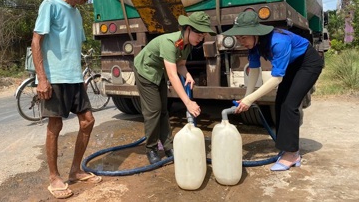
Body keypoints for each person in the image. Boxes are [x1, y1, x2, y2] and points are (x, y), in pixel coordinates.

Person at [32, 0, 103, 199]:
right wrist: (42, 78)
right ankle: (54, 178)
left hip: (74, 78)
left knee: (88, 121)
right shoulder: (50, 5)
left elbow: (74, 47)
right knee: (55, 126)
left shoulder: (77, 14)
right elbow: (36, 40)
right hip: (54, 77)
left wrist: (81, 77)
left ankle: (75, 170)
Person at [223, 10, 323, 171]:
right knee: (280, 102)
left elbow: (277, 78)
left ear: (255, 32)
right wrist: (247, 96)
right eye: (238, 37)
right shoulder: (254, 44)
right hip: (292, 66)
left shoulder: (278, 41)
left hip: (308, 64)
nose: (241, 41)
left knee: (289, 105)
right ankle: (289, 148)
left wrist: (250, 100)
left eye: (243, 37)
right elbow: (254, 70)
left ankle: (292, 155)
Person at [133, 11, 216, 164]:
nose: (201, 38)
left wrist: (188, 74)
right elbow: (173, 75)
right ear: (188, 29)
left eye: (203, 35)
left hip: (159, 73)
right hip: (145, 71)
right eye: (199, 33)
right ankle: (151, 148)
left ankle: (167, 146)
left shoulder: (187, 45)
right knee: (154, 110)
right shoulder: (169, 43)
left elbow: (181, 65)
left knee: (164, 110)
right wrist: (188, 103)